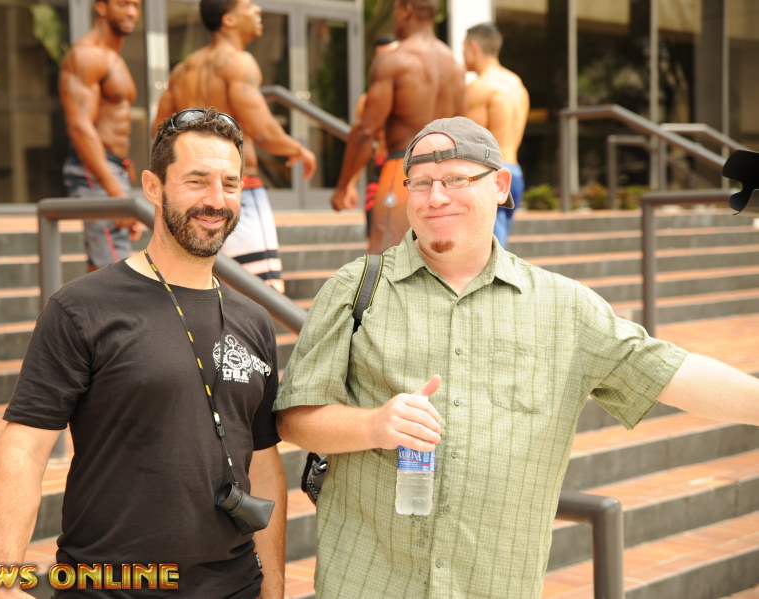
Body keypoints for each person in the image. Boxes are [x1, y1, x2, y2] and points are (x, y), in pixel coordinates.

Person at [275, 116, 759, 598]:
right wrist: (374, 425)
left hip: (495, 585)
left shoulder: (564, 307)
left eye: (456, 179)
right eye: (420, 183)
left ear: (501, 185)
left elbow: (671, 372)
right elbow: (295, 418)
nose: (435, 197)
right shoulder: (356, 288)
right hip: (367, 580)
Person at [0, 109, 287, 599]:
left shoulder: (254, 320)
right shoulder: (82, 307)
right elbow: (24, 449)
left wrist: (273, 586)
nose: (216, 200)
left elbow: (265, 464)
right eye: (197, 181)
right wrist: (0, 585)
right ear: (153, 186)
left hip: (234, 587)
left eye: (230, 184)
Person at [151, 0, 317, 294]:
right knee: (263, 292)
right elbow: (263, 130)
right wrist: (298, 150)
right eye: (249, 5)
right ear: (228, 19)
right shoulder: (240, 63)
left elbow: (159, 131)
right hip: (234, 188)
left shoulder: (182, 70)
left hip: (191, 192)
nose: (258, 10)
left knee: (207, 286)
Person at [329, 0, 465, 254]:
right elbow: (461, 129)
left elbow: (366, 132)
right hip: (446, 177)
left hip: (404, 172)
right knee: (437, 261)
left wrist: (342, 186)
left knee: (386, 260)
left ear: (406, 9)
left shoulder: (394, 61)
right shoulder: (454, 66)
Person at [59, 0, 144, 272]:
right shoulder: (86, 55)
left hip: (111, 168)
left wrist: (120, 171)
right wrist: (114, 188)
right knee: (113, 269)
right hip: (95, 170)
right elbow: (79, 125)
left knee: (109, 260)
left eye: (136, 5)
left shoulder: (113, 57)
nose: (132, 12)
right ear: (101, 7)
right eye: (123, 3)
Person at [463, 22, 529, 247]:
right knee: (496, 250)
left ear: (473, 47)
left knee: (485, 254)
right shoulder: (517, 84)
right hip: (514, 174)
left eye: (463, 48)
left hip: (491, 176)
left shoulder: (479, 88)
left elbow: (468, 143)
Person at [349, 35, 399, 237]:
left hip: (413, 171)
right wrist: (350, 184)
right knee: (376, 233)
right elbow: (363, 142)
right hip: (383, 168)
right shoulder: (367, 101)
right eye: (382, 58)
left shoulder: (417, 96)